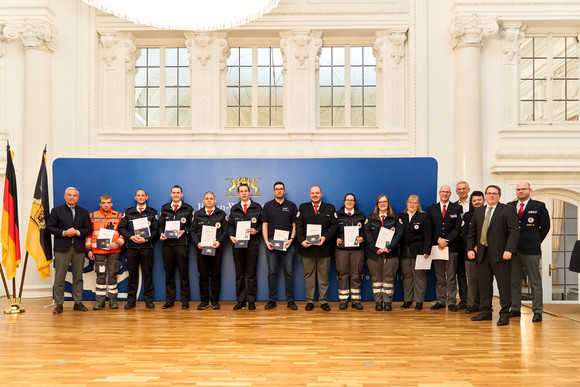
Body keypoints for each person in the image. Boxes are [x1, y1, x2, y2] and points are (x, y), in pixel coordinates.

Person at [467, 185, 520, 326]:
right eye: (489, 193)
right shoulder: (478, 211)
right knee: (484, 285)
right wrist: (470, 249)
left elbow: (514, 231)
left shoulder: (507, 210)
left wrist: (509, 249)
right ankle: (486, 312)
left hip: (502, 255)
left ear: (499, 196)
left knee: (503, 286)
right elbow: (472, 233)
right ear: (485, 196)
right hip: (482, 254)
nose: (491, 196)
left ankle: (504, 314)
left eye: (494, 194)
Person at [508, 181, 550, 322]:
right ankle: (515, 308)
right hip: (513, 250)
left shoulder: (538, 206)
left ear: (530, 190)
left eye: (523, 189)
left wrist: (536, 241)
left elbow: (545, 227)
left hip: (531, 250)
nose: (520, 191)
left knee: (534, 282)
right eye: (518, 189)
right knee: (514, 281)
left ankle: (537, 311)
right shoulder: (510, 206)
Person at [47, 187, 92, 314]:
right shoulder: (56, 211)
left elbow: (88, 229)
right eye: (69, 195)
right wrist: (64, 232)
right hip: (62, 249)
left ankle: (78, 303)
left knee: (78, 277)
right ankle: (59, 304)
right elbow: (49, 228)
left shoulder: (83, 212)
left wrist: (77, 232)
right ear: (64, 196)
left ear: (78, 198)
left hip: (78, 249)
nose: (72, 197)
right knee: (59, 278)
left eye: (74, 195)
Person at [296, 185, 339, 311]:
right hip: (307, 248)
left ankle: (323, 301)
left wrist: (325, 237)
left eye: (317, 193)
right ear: (310, 194)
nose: (315, 195)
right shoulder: (303, 208)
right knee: (308, 276)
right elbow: (298, 227)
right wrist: (302, 240)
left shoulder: (330, 208)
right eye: (312, 193)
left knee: (323, 276)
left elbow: (334, 226)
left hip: (323, 248)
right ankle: (310, 300)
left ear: (321, 194)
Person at [118, 189, 159, 310]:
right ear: (135, 197)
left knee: (148, 274)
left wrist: (146, 239)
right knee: (132, 275)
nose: (140, 197)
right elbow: (121, 227)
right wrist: (130, 237)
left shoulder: (152, 212)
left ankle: (149, 300)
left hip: (146, 247)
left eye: (143, 195)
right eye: (138, 195)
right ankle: (131, 300)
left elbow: (156, 230)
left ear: (146, 197)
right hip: (132, 247)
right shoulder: (128, 212)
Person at [262, 181, 298, 310]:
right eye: (277, 189)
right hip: (272, 242)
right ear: (273, 191)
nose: (279, 191)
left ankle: (290, 300)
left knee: (289, 272)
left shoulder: (292, 206)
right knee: (272, 272)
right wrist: (266, 241)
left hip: (288, 243)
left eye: (281, 189)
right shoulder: (267, 206)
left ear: (284, 191)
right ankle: (272, 300)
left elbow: (295, 225)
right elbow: (264, 225)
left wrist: (292, 239)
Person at [363, 194, 402, 311]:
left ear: (388, 204)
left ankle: (388, 302)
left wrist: (389, 247)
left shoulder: (395, 218)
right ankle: (378, 302)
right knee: (376, 279)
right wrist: (376, 249)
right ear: (377, 205)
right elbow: (367, 235)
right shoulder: (370, 218)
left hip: (391, 254)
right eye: (380, 202)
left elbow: (399, 234)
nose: (382, 204)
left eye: (385, 202)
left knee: (388, 279)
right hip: (374, 254)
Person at [85, 194, 125, 310]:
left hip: (114, 251)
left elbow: (123, 233)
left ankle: (113, 301)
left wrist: (118, 244)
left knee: (112, 274)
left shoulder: (119, 216)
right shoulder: (92, 216)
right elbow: (88, 235)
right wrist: (89, 250)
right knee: (100, 275)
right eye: (103, 203)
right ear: (100, 204)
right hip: (98, 251)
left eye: (108, 203)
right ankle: (100, 301)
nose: (106, 205)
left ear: (111, 203)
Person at [191, 191, 228, 310]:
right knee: (203, 276)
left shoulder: (221, 214)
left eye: (211, 198)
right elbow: (192, 231)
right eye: (207, 198)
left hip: (216, 250)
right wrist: (198, 243)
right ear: (203, 200)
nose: (209, 200)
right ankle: (204, 301)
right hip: (201, 250)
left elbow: (225, 231)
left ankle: (215, 301)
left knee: (216, 275)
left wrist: (219, 242)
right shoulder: (197, 214)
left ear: (215, 200)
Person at [427, 185, 462, 311]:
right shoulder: (431, 209)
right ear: (439, 193)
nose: (445, 194)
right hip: (437, 247)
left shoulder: (457, 208)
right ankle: (441, 301)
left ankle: (451, 301)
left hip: (451, 247)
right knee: (440, 276)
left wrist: (447, 241)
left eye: (447, 192)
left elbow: (457, 228)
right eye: (443, 192)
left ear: (450, 193)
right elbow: (430, 228)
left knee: (451, 276)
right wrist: (438, 240)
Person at [227, 183, 262, 310]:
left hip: (252, 244)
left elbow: (262, 224)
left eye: (246, 191)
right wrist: (231, 236)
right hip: (238, 245)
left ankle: (251, 301)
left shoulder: (257, 207)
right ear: (238, 193)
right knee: (239, 274)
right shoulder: (234, 208)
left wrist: (256, 231)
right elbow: (230, 225)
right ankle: (241, 300)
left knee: (251, 274)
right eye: (241, 191)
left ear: (249, 192)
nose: (244, 193)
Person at [158, 185, 193, 309]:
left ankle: (185, 301)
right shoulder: (165, 208)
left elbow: (192, 227)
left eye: (178, 193)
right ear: (171, 194)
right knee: (169, 273)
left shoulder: (188, 209)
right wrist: (161, 233)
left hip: (181, 245)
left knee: (184, 273)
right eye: (173, 193)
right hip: (167, 245)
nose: (176, 195)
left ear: (182, 194)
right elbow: (160, 226)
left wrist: (185, 232)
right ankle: (170, 300)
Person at [397, 194, 432, 311]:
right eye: (410, 203)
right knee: (407, 276)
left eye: (415, 203)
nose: (412, 205)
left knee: (419, 277)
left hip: (420, 252)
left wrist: (427, 251)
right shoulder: (401, 216)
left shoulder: (424, 216)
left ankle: (419, 301)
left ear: (418, 205)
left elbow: (428, 235)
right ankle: (407, 300)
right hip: (403, 251)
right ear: (407, 204)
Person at [335, 193, 366, 310]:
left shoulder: (361, 215)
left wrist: (362, 238)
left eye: (352, 200)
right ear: (344, 201)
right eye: (347, 200)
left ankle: (356, 300)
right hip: (341, 250)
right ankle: (343, 300)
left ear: (354, 202)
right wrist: (335, 239)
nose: (349, 202)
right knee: (342, 274)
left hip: (357, 250)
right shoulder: (337, 215)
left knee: (356, 274)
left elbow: (366, 232)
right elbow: (333, 230)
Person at [460, 191, 484, 314]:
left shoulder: (489, 213)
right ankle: (471, 304)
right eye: (474, 201)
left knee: (484, 279)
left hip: (486, 252)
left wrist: (481, 246)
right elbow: (464, 233)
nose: (477, 202)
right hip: (470, 252)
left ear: (483, 200)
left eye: (479, 200)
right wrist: (473, 246)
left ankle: (483, 305)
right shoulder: (467, 216)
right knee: (472, 279)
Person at [454, 181, 471, 309]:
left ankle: (474, 300)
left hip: (473, 243)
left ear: (468, 190)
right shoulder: (453, 206)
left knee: (473, 274)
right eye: (459, 189)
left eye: (464, 188)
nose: (462, 191)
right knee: (460, 273)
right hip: (458, 243)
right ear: (456, 192)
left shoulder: (475, 204)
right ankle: (464, 300)